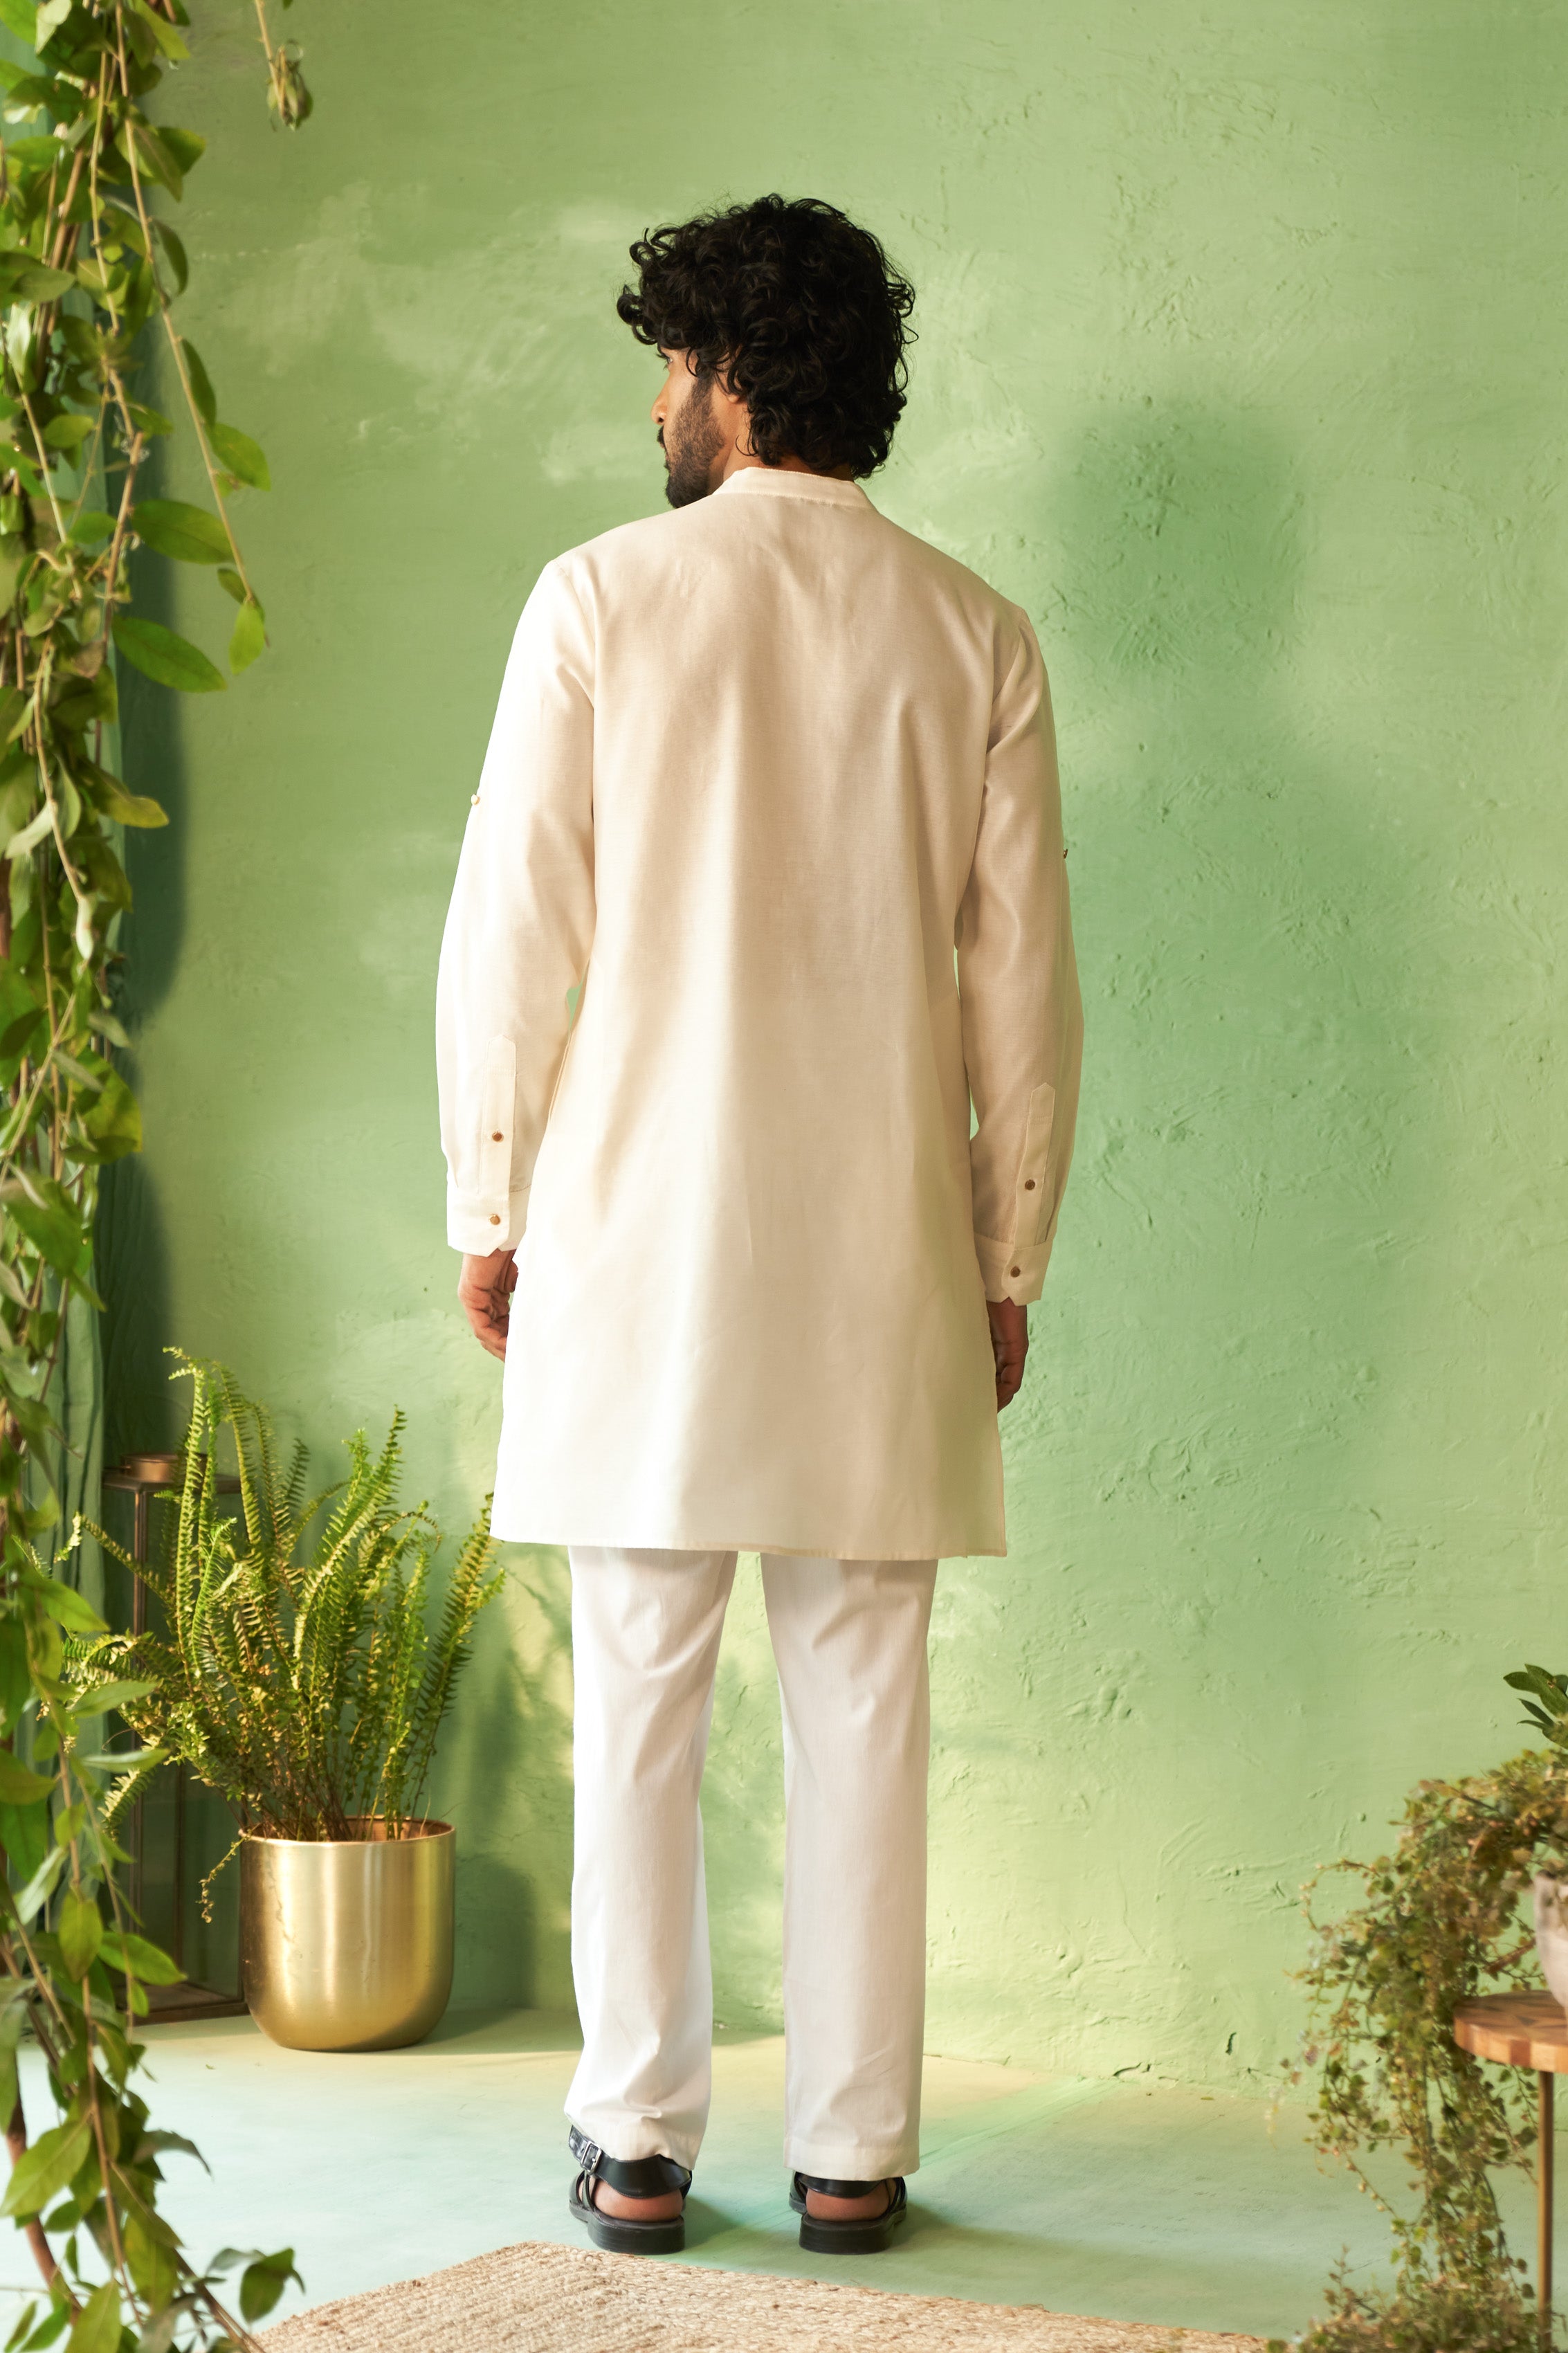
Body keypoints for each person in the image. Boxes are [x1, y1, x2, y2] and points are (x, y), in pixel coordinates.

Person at [436, 194, 1082, 2260]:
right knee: (865, 1696)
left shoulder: (599, 599)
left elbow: (509, 935)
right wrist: (1005, 1257)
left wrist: (490, 1200)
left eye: (668, 365)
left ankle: (636, 2146)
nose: (657, 405)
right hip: (884, 1251)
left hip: (639, 1233)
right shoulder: (975, 634)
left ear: (730, 374)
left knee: (637, 1682)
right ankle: (852, 2158)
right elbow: (1024, 993)